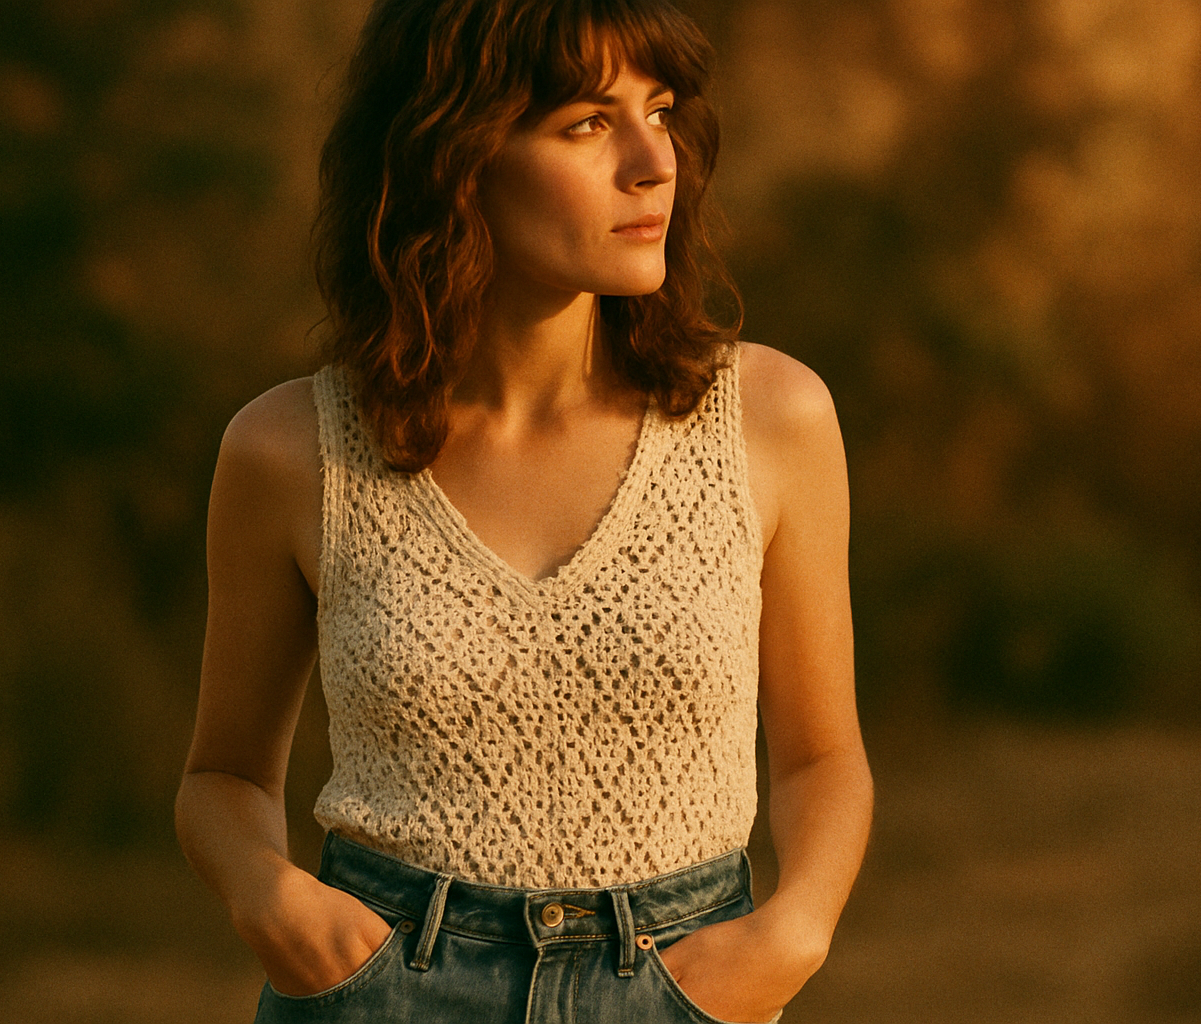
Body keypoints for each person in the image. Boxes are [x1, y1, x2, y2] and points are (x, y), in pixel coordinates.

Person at [174, 0, 873, 1021]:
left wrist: (795, 931)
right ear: (455, 155)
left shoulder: (770, 419)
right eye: (587, 123)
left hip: (681, 986)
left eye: (660, 111)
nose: (655, 162)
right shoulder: (289, 450)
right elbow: (223, 776)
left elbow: (823, 756)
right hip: (384, 989)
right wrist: (271, 899)